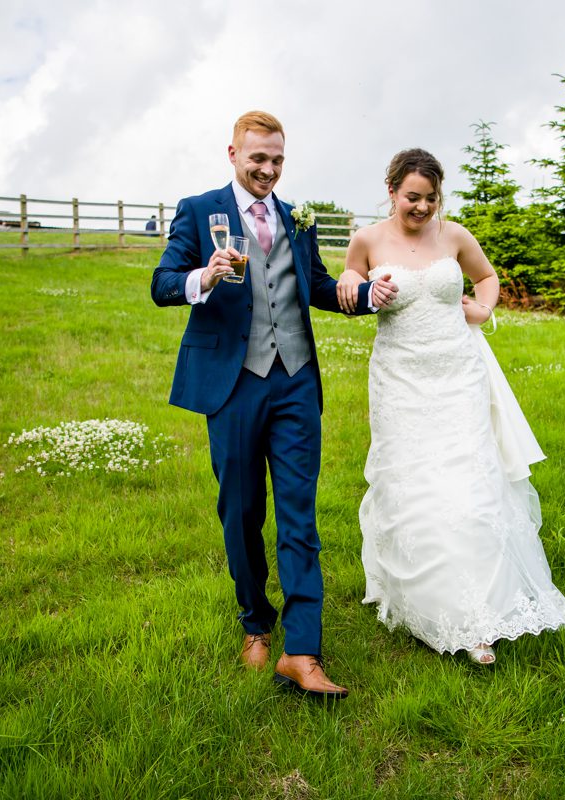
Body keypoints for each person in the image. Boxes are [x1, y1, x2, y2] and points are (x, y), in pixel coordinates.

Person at [150, 111, 399, 699]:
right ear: (232, 153)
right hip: (231, 384)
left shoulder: (296, 216)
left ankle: (303, 649)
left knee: (298, 513)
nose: (267, 169)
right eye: (257, 158)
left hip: (294, 381)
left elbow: (314, 286)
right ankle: (254, 622)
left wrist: (367, 295)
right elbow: (161, 284)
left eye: (277, 160)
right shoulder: (198, 210)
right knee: (240, 512)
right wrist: (202, 278)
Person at [337, 148, 565, 665]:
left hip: (458, 375)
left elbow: (486, 278)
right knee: (415, 485)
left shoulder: (455, 235)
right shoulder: (368, 239)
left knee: (469, 483)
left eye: (429, 198)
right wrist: (362, 290)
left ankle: (478, 616)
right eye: (411, 198)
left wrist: (483, 307)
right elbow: (347, 287)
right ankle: (421, 601)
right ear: (391, 190)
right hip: (399, 379)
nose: (421, 208)